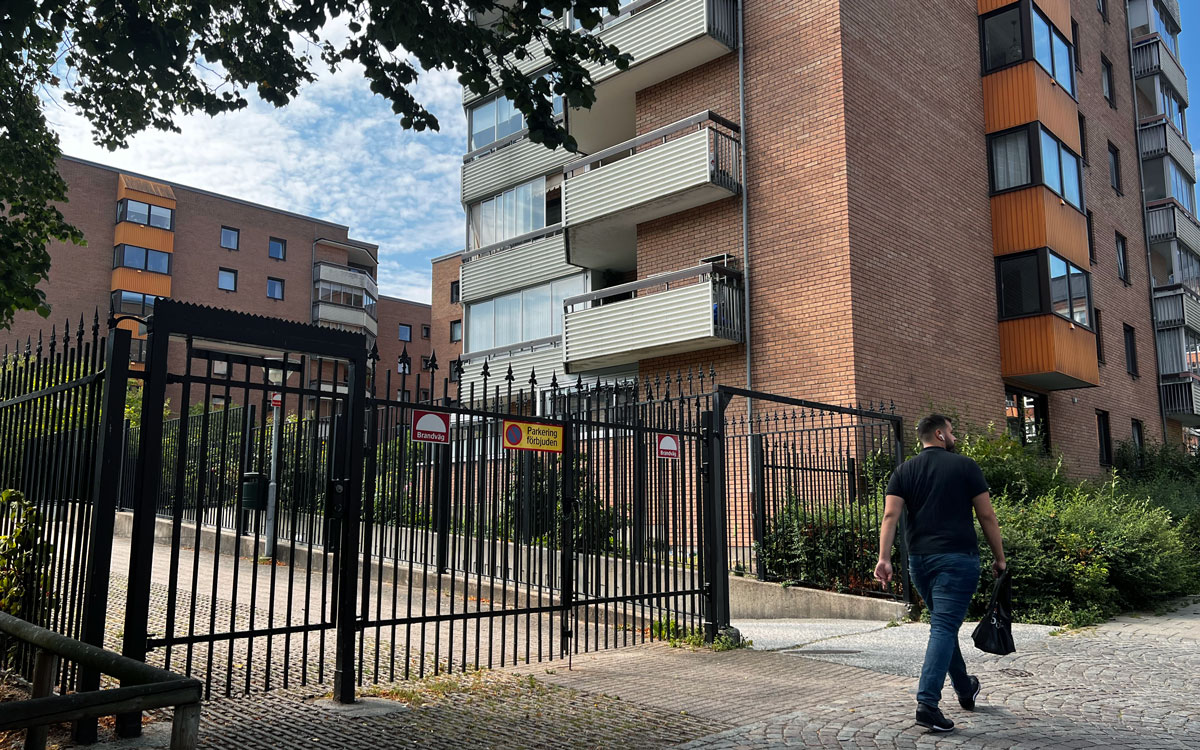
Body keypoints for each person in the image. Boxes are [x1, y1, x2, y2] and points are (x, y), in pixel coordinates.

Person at [874, 414, 1006, 733]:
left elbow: (891, 515)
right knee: (944, 627)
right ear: (939, 434)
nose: (954, 435)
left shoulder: (903, 471)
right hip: (957, 560)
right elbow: (986, 515)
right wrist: (1000, 558)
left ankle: (964, 687)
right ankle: (927, 704)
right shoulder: (965, 466)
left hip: (920, 562)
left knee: (942, 627)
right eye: (951, 430)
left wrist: (884, 558)